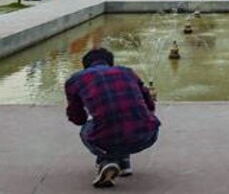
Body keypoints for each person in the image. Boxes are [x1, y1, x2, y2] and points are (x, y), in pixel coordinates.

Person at [65, 47, 160, 188]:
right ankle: (124, 163)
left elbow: (78, 118)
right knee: (124, 121)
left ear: (85, 65)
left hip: (105, 137)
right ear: (111, 63)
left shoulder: (76, 80)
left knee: (90, 129)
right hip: (147, 135)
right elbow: (150, 107)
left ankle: (107, 161)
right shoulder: (128, 72)